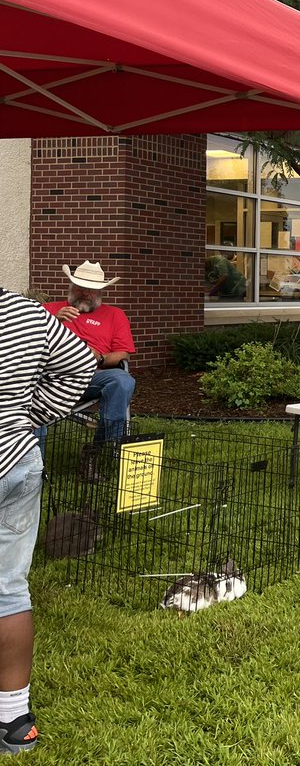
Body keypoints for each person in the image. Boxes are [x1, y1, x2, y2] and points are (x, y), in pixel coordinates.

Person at [0, 287, 97, 756]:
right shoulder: (22, 310)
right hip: (17, 460)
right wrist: (29, 413)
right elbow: (82, 361)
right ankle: (15, 719)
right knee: (10, 588)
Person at [43, 261, 136, 441]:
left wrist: (99, 358)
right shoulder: (49, 310)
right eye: (80, 287)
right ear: (71, 286)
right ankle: (35, 464)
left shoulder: (115, 315)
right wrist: (53, 320)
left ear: (100, 292)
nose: (85, 293)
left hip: (90, 376)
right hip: (49, 378)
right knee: (27, 388)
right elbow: (25, 339)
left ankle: (108, 446)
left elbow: (123, 354)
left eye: (91, 289)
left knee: (122, 380)